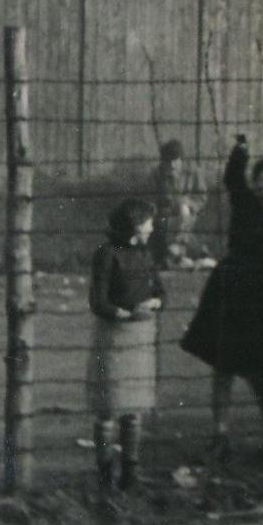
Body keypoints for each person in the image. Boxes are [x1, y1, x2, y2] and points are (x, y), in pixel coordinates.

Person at [179, 136, 263, 461]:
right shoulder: (245, 203)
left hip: (262, 296)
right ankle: (220, 436)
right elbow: (232, 179)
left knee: (262, 370)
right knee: (223, 365)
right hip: (231, 287)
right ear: (255, 184)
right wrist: (239, 153)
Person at [87, 199, 164, 493]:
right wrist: (119, 313)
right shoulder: (107, 254)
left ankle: (131, 471)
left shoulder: (146, 254)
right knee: (108, 407)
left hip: (140, 335)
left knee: (135, 408)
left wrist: (156, 301)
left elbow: (159, 290)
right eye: (148, 222)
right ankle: (105, 471)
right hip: (115, 336)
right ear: (134, 224)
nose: (152, 228)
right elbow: (98, 299)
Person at [148, 138, 209, 269]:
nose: (172, 165)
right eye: (167, 161)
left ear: (181, 159)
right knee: (165, 223)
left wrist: (189, 203)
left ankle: (175, 254)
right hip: (164, 214)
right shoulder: (157, 174)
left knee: (183, 210)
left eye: (175, 160)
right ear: (163, 162)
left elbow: (202, 197)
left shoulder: (194, 172)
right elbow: (151, 199)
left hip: (188, 213)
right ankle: (192, 255)